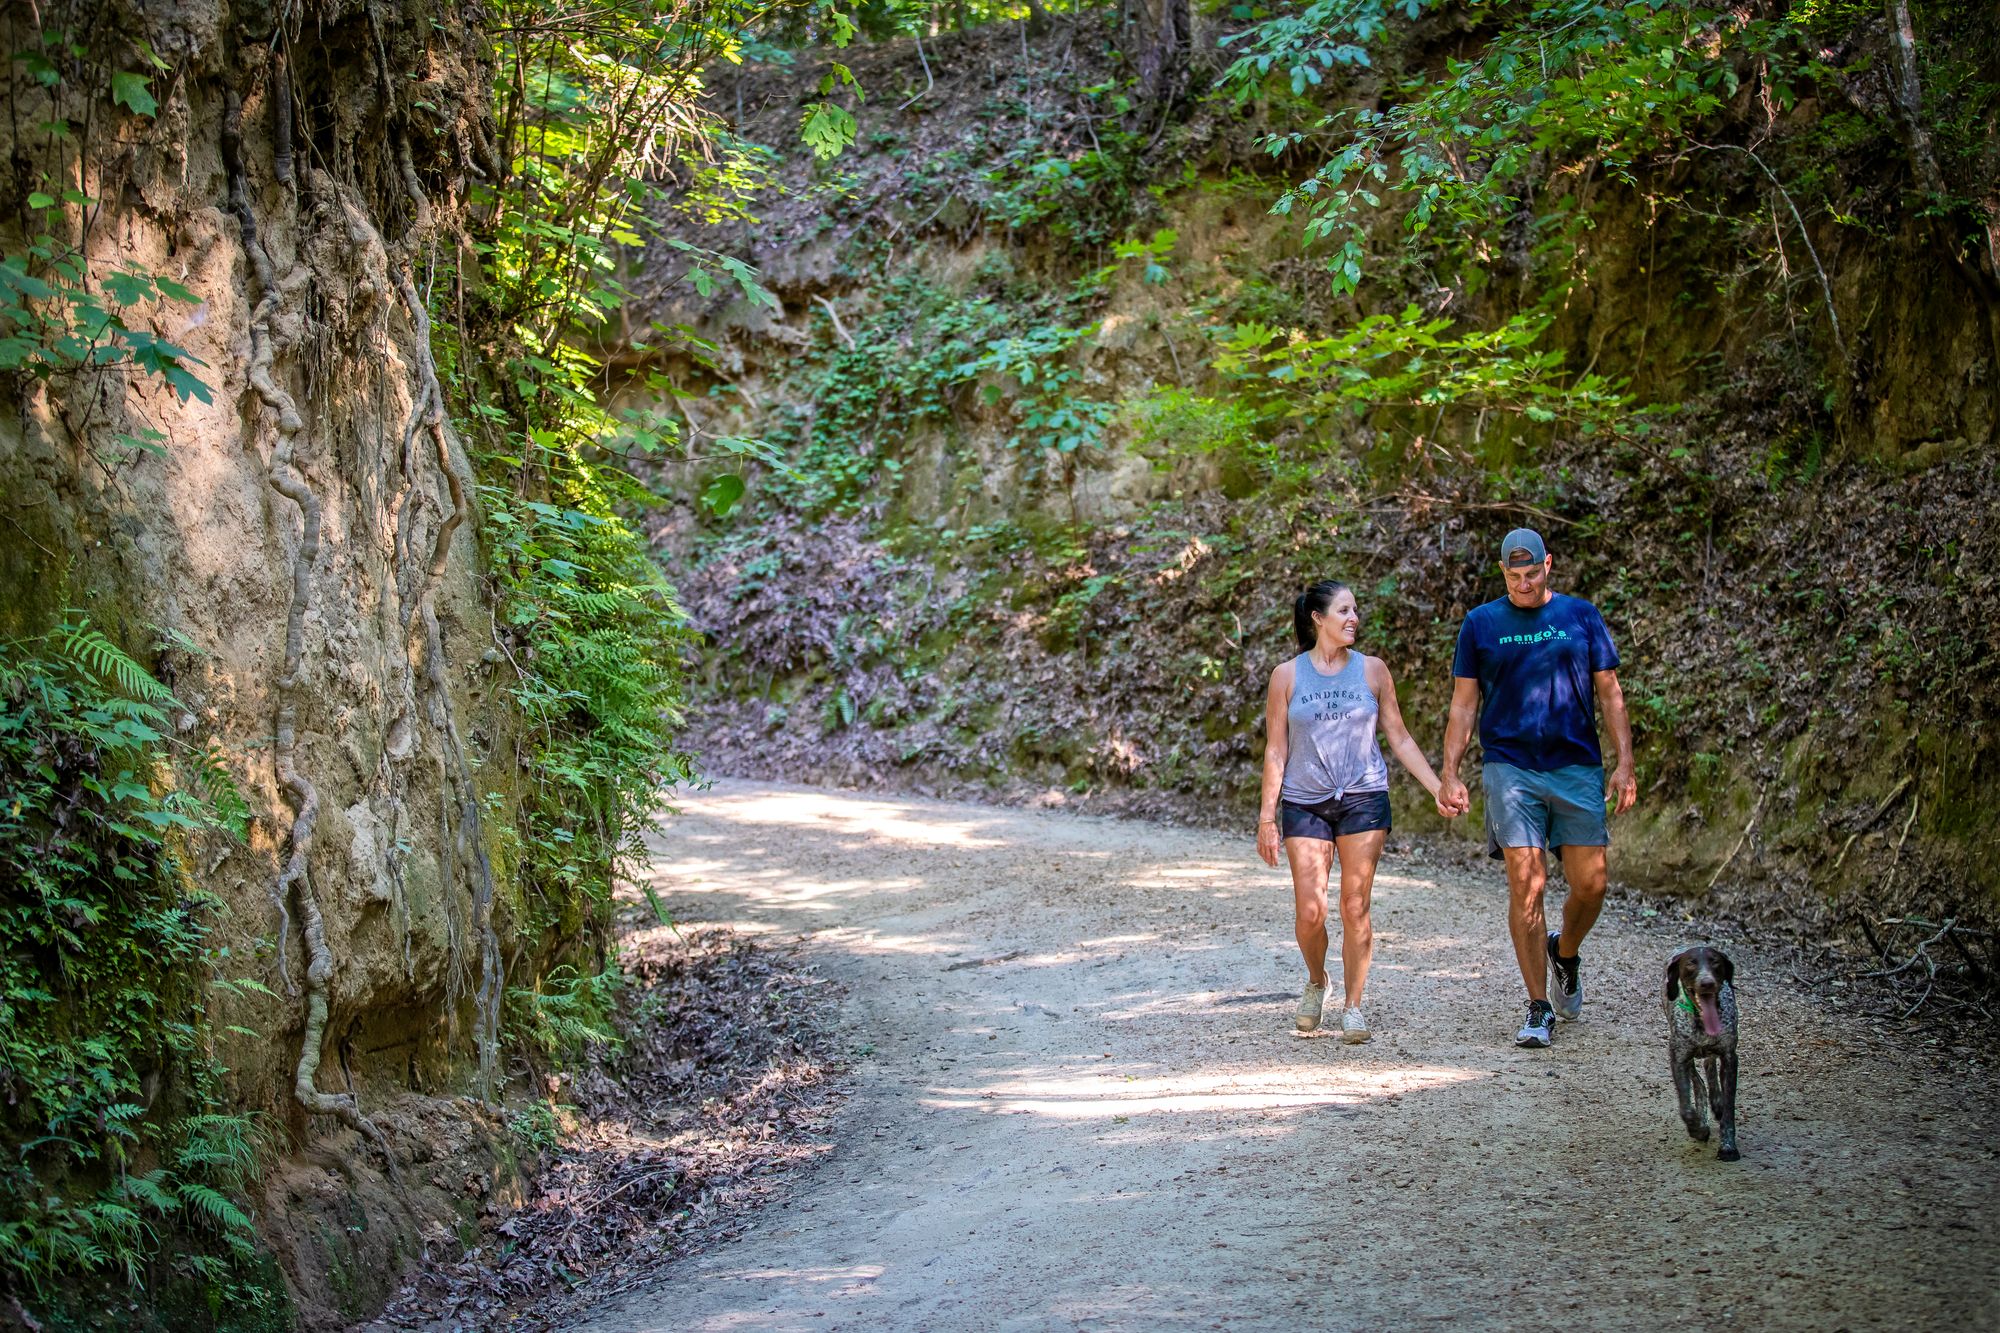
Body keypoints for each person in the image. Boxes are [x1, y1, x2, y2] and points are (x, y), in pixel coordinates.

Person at [1436, 528, 1636, 1048]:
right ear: (1503, 572)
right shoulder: (1481, 624)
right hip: (1511, 767)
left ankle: (1564, 952)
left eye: (1533, 573)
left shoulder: (1580, 616)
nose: (1524, 584)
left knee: (1591, 884)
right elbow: (1463, 704)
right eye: (1514, 576)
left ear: (1549, 564)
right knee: (1527, 883)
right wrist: (1451, 770)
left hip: (1576, 765)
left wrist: (1624, 763)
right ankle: (1538, 1005)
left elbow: (1610, 694)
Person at [1257, 580, 1454, 1042]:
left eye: (1356, 611)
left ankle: (1353, 1005)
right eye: (1344, 611)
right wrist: (1268, 816)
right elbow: (1276, 750)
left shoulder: (1372, 671)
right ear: (1318, 619)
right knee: (1310, 910)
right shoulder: (1287, 676)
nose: (1353, 619)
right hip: (1305, 800)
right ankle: (1316, 980)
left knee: (1354, 905)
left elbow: (1399, 737)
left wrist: (1436, 788)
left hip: (1363, 797)